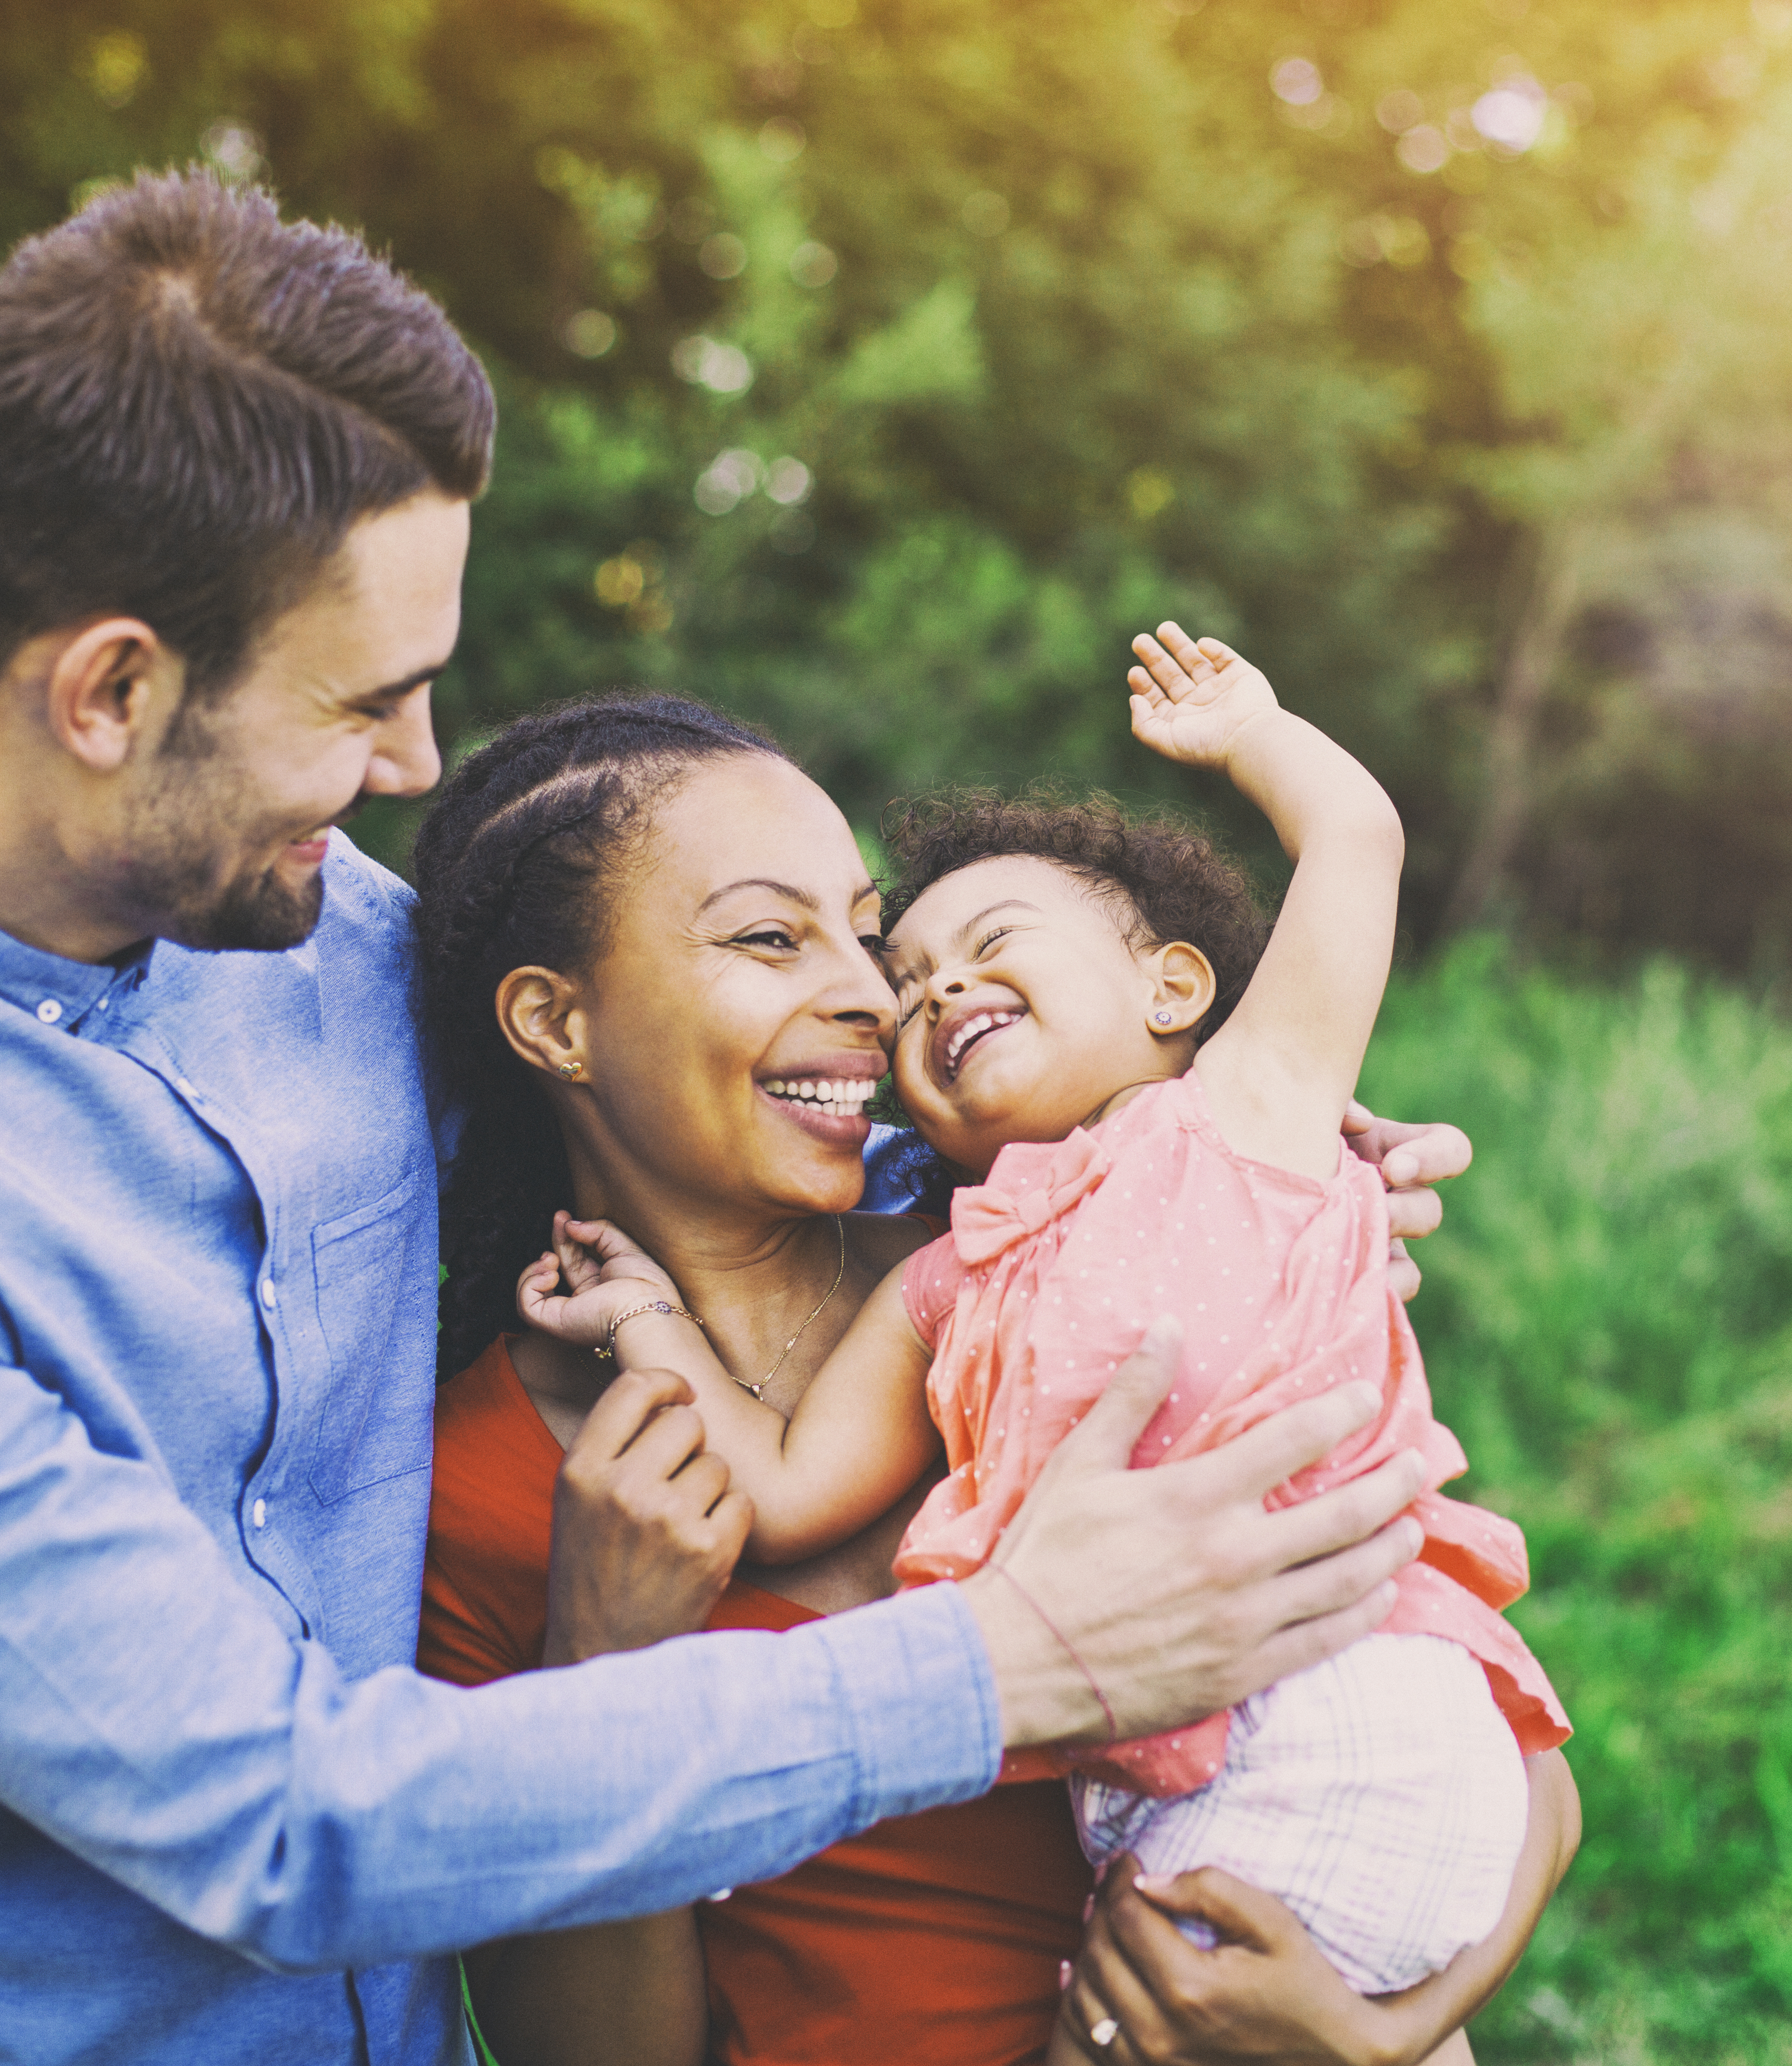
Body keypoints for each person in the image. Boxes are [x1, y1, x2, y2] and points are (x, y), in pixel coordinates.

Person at [0, 174, 1460, 2063]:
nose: (413, 766)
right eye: (365, 700)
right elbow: (274, 1814)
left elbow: (724, 1111)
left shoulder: (320, 940)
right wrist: (1010, 1660)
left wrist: (1193, 1140)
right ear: (111, 690)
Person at [419, 691, 1577, 2066]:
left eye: (862, 933)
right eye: (771, 936)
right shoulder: (482, 1491)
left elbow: (1509, 1749)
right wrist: (605, 1666)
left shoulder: (1058, 1282)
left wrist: (1385, 2036)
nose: (867, 990)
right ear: (556, 1024)